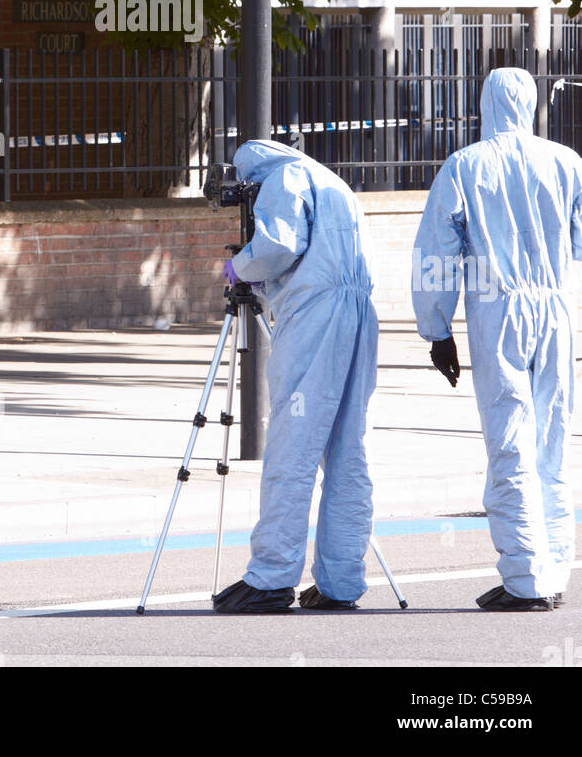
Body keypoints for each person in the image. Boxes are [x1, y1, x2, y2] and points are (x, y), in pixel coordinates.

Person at [412, 67, 582, 611]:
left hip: (500, 310)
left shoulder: (465, 166)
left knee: (510, 443)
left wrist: (436, 331)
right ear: (532, 102)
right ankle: (553, 570)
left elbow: (437, 254)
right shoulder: (567, 162)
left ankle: (526, 578)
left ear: (485, 102)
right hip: (555, 309)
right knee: (552, 444)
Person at [212, 138, 380, 614]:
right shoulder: (334, 183)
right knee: (348, 448)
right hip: (358, 314)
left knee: (293, 442)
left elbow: (280, 245)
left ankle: (271, 577)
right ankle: (341, 580)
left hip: (315, 317)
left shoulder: (283, 178)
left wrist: (239, 266)